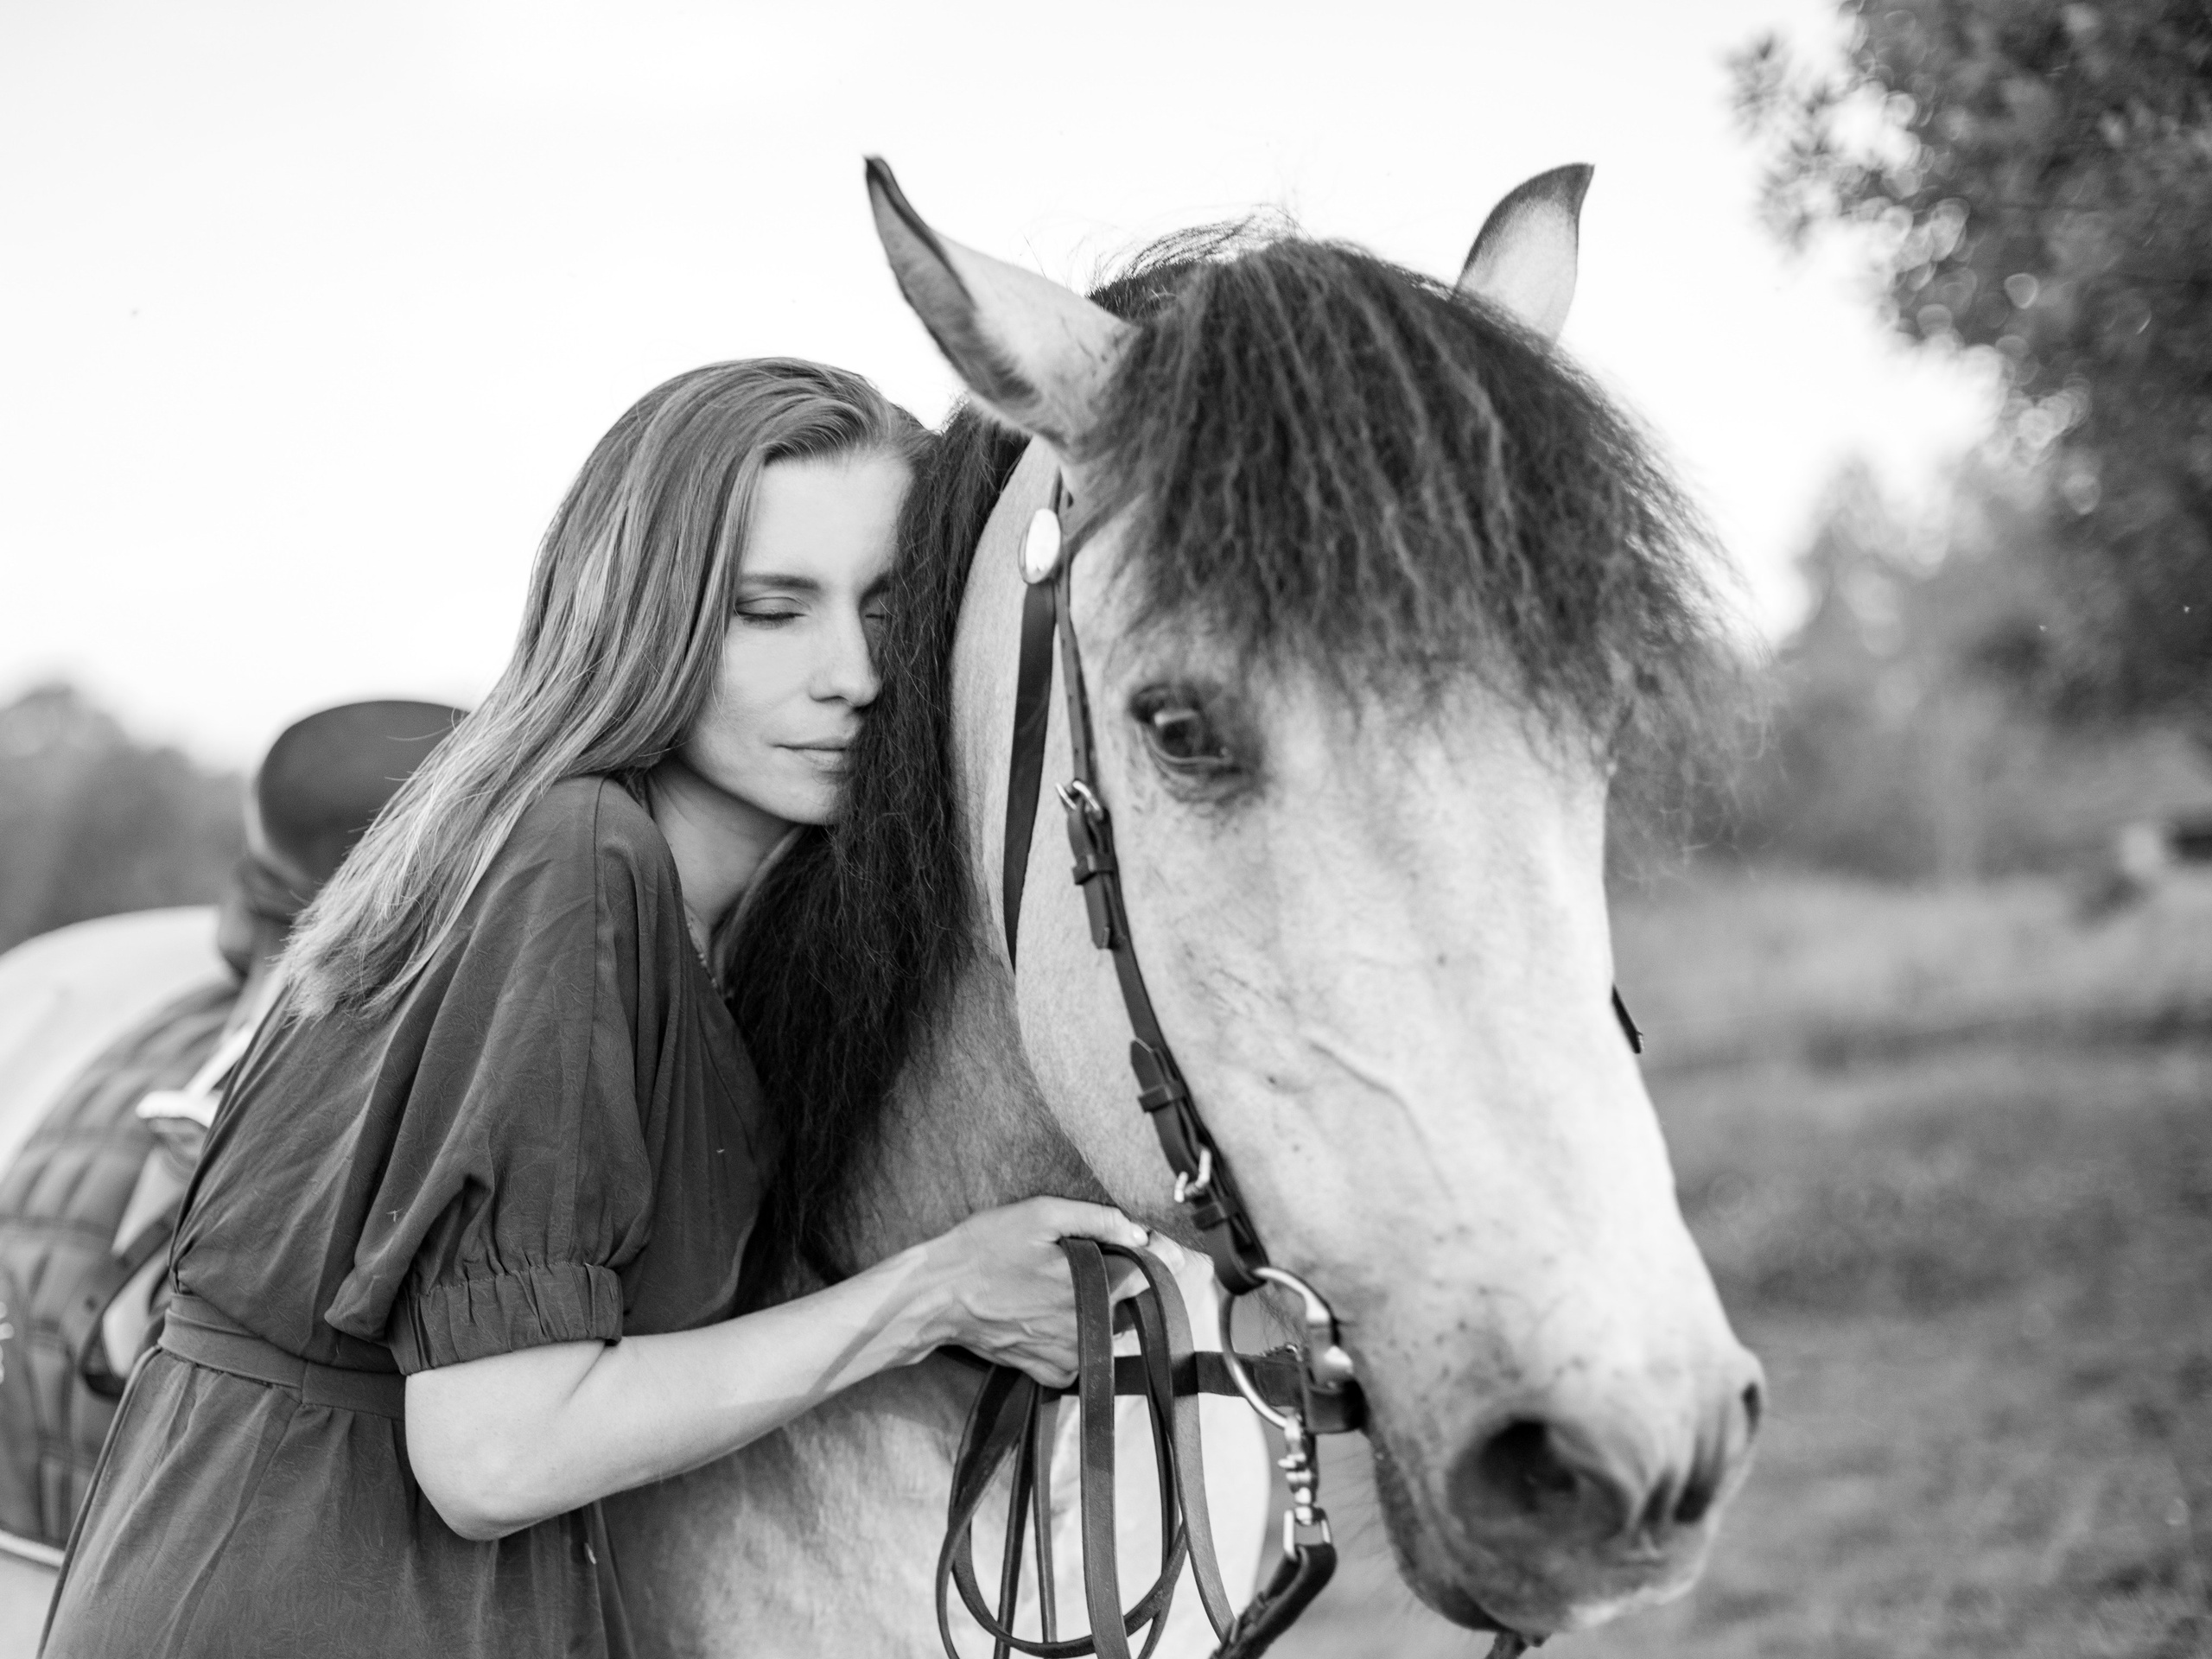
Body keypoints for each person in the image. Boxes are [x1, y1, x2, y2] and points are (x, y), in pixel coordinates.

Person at [39, 359, 1150, 1658]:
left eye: (888, 608)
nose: (853, 673)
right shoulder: (580, 865)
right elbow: (494, 1454)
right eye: (771, 612)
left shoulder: (695, 912)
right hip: (308, 1603)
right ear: (647, 621)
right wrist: (935, 1296)